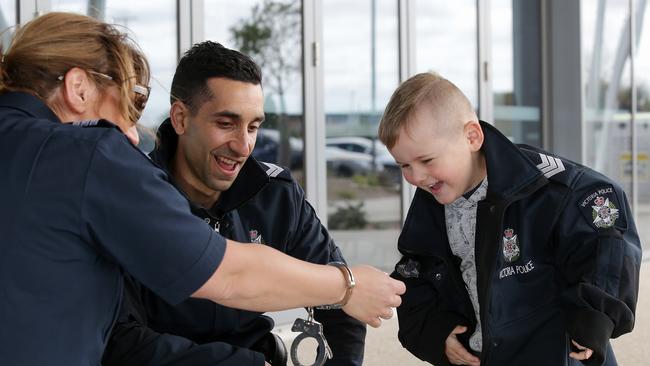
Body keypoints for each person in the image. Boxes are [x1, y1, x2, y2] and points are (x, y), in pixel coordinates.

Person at [0, 12, 404, 365]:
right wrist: (347, 285)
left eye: (254, 126)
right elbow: (228, 275)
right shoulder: (92, 158)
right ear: (79, 88)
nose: (126, 130)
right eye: (124, 106)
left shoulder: (277, 193)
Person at [102, 41, 366, 366]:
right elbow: (121, 341)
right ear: (181, 118)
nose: (243, 146)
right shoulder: (131, 200)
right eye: (226, 124)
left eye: (253, 126)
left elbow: (340, 295)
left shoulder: (276, 194)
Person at [379, 72, 641, 366]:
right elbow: (415, 276)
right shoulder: (432, 201)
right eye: (404, 164)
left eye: (426, 161)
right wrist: (436, 334)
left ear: (472, 137)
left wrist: (594, 317)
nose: (415, 177)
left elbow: (606, 236)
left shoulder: (549, 188)